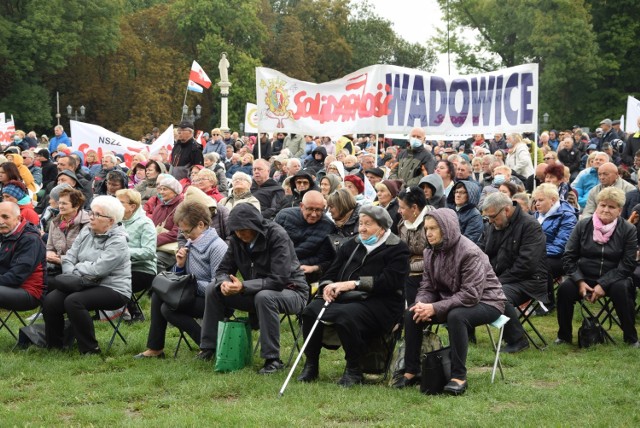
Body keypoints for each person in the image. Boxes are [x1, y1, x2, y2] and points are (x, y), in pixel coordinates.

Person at [393, 208, 506, 394]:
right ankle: (412, 370)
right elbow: (427, 286)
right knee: (412, 311)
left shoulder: (470, 252)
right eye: (426, 228)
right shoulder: (430, 252)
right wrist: (422, 305)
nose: (428, 233)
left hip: (488, 301)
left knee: (456, 316)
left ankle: (458, 376)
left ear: (447, 229)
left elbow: (470, 295)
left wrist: (435, 307)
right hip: (451, 298)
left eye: (434, 228)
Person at [297, 205, 410, 386]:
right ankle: (311, 364)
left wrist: (353, 284)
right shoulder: (352, 244)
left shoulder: (397, 248)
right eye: (360, 223)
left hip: (381, 302)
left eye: (368, 224)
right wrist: (327, 287)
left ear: (382, 227)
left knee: (346, 316)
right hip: (346, 298)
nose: (362, 228)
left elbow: (389, 282)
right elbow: (330, 273)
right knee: (311, 311)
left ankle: (353, 368)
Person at [198, 204, 308, 372]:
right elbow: (222, 270)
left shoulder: (277, 235)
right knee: (214, 288)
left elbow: (279, 279)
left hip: (293, 291)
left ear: (254, 225)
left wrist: (243, 286)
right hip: (256, 292)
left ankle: (272, 360)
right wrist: (224, 283)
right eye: (236, 230)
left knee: (265, 297)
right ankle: (208, 348)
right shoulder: (236, 239)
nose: (240, 234)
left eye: (244, 229)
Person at [135, 201, 228, 358]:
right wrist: (179, 266)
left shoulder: (217, 247)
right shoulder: (191, 243)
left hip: (215, 301)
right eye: (182, 232)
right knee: (159, 294)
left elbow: (217, 287)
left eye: (187, 232)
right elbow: (180, 279)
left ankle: (209, 345)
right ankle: (155, 348)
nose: (184, 236)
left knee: (167, 309)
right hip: (194, 294)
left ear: (201, 224)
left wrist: (189, 283)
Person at [42, 196, 131, 355]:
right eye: (91, 212)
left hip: (112, 287)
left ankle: (90, 348)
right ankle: (55, 346)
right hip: (81, 282)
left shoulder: (119, 241)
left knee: (74, 301)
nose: (91, 217)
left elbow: (99, 269)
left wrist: (75, 269)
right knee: (51, 300)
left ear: (110, 221)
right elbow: (69, 257)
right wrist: (72, 274)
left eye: (97, 214)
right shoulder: (86, 231)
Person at [556, 187, 639, 346]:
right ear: (597, 205)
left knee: (621, 289)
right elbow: (568, 257)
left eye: (611, 207)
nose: (606, 210)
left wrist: (603, 284)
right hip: (584, 276)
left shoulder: (628, 229)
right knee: (565, 289)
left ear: (619, 210)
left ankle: (631, 337)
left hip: (615, 277)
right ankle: (564, 336)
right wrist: (579, 281)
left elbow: (628, 264)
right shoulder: (583, 225)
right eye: (603, 205)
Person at [481, 192, 548, 353]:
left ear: (506, 210)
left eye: (492, 217)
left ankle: (518, 340)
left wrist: (495, 281)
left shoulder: (530, 225)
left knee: (498, 295)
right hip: (502, 278)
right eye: (488, 218)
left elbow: (527, 264)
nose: (490, 221)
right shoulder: (495, 224)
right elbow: (482, 250)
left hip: (529, 280)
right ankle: (467, 335)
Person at [274, 190, 337, 283]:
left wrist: (304, 266)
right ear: (301, 206)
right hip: (276, 263)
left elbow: (322, 257)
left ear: (324, 208)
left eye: (319, 210)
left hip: (301, 272)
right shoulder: (284, 216)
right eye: (310, 209)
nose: (314, 214)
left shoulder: (328, 227)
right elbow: (271, 242)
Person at [531, 183, 577, 310]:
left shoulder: (567, 216)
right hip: (538, 254)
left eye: (540, 200)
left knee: (542, 265)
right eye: (535, 200)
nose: (536, 204)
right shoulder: (535, 215)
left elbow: (561, 246)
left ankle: (547, 303)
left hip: (562, 258)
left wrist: (535, 254)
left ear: (553, 200)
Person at [116, 189, 157, 322]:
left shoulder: (145, 223)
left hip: (143, 270)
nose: (116, 205)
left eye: (121, 202)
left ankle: (132, 312)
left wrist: (124, 252)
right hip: (120, 267)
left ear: (132, 206)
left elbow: (149, 252)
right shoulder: (116, 222)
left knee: (111, 281)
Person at [0, 201, 46, 314]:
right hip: (8, 286)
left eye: (5, 217)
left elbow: (16, 277)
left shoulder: (30, 239)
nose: (1, 221)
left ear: (18, 218)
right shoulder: (6, 233)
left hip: (29, 292)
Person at [397, 186, 434, 306]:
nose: (399, 211)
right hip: (409, 267)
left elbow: (435, 257)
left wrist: (406, 267)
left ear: (414, 208)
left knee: (408, 280)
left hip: (430, 271)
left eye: (402, 207)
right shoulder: (402, 224)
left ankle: (412, 315)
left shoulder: (433, 222)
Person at [45, 187, 90, 276]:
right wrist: (50, 254)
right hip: (56, 266)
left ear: (76, 206)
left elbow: (84, 256)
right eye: (60, 203)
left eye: (64, 203)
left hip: (76, 270)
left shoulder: (86, 224)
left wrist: (61, 260)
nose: (60, 206)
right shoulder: (55, 222)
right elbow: (50, 247)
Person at [149, 174, 184, 271]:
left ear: (174, 191)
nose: (161, 192)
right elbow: (150, 227)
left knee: (153, 261)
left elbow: (176, 233)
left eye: (165, 189)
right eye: (160, 189)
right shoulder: (160, 207)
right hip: (155, 245)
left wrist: (153, 241)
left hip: (170, 250)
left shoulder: (182, 207)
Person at [446, 180, 483, 245]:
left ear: (470, 195)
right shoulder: (449, 210)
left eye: (462, 192)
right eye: (456, 192)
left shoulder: (475, 215)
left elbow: (468, 241)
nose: (458, 195)